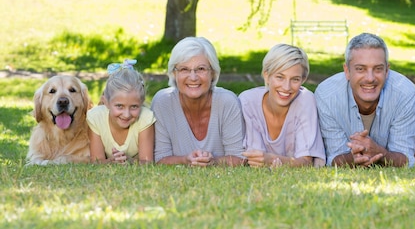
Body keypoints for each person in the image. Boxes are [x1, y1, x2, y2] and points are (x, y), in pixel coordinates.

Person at [315, 33, 415, 167]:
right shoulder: (327, 96)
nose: (370, 78)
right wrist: (354, 157)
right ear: (347, 71)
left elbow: (406, 160)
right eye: (360, 69)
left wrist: (380, 154)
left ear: (387, 71)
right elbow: (334, 158)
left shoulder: (405, 94)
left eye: (378, 69)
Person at [151, 37, 245, 166]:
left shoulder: (227, 102)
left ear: (212, 73)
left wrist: (214, 161)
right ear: (174, 73)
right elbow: (160, 159)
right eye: (184, 69)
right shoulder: (162, 103)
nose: (193, 77)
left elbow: (239, 158)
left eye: (201, 69)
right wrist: (185, 160)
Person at [239, 44, 325, 167]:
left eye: (295, 79)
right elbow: (253, 159)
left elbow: (306, 162)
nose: (286, 87)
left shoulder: (305, 100)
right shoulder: (247, 102)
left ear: (303, 80)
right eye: (280, 77)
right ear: (266, 75)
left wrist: (270, 159)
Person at [87, 59, 155, 164]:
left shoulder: (145, 118)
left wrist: (130, 161)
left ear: (142, 102)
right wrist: (111, 161)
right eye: (119, 106)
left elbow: (147, 162)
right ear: (106, 102)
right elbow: (96, 160)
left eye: (134, 107)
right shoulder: (96, 118)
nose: (126, 114)